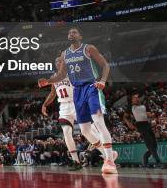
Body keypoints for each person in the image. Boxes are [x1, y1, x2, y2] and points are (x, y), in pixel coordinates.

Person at [39, 27, 118, 174]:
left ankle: (109, 161)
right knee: (85, 130)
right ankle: (108, 154)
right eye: (69, 33)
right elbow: (61, 75)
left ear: (80, 36)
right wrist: (48, 81)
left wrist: (103, 80)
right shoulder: (64, 54)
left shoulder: (89, 48)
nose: (71, 34)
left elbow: (105, 65)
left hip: (91, 87)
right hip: (77, 92)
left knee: (98, 122)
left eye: (74, 32)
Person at [41, 56, 102, 171]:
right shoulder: (53, 77)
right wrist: (44, 104)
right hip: (63, 107)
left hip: (76, 103)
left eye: (61, 61)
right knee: (66, 133)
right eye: (57, 61)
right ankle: (76, 161)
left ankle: (106, 153)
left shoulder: (73, 72)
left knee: (90, 130)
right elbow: (53, 93)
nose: (59, 63)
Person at [123, 93, 162, 167]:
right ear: (132, 100)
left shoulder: (144, 106)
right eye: (135, 97)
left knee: (154, 145)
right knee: (150, 143)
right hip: (140, 125)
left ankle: (145, 158)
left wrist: (151, 115)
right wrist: (128, 123)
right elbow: (125, 117)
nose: (137, 98)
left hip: (147, 124)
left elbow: (148, 113)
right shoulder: (130, 107)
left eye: (137, 97)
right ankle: (158, 162)